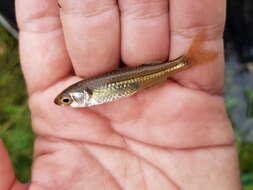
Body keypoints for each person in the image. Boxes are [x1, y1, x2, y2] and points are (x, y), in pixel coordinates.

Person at [0, 0, 242, 189]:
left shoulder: (90, 93)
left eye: (67, 101)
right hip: (140, 78)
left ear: (83, 94)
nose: (67, 104)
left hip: (142, 76)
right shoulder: (88, 93)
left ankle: (185, 62)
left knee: (161, 67)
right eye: (66, 101)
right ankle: (184, 62)